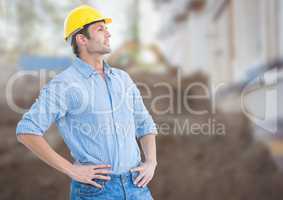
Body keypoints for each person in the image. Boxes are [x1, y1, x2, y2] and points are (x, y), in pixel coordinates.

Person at [16, 5, 158, 200]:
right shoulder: (65, 84)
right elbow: (27, 131)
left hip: (137, 186)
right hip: (96, 191)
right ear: (82, 39)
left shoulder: (122, 79)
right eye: (100, 29)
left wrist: (151, 162)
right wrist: (71, 170)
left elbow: (144, 124)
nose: (108, 34)